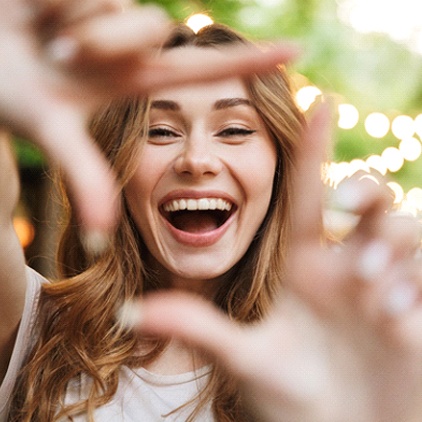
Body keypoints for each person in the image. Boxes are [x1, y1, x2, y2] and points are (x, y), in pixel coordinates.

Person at [2, 8, 421, 422]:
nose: (196, 160)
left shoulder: (345, 354)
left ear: (280, 167)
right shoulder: (35, 323)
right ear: (116, 163)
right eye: (161, 131)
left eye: (235, 130)